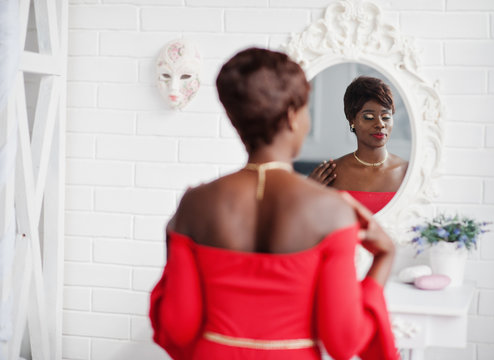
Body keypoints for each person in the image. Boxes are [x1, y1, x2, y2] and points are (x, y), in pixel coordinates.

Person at [149, 48, 398, 360]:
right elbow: (343, 342)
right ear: (293, 116)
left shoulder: (195, 204)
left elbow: (178, 328)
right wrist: (384, 257)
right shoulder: (331, 211)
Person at [309, 76, 408, 213]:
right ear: (352, 120)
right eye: (368, 117)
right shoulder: (331, 173)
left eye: (386, 117)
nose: (380, 124)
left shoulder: (407, 172)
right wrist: (308, 192)